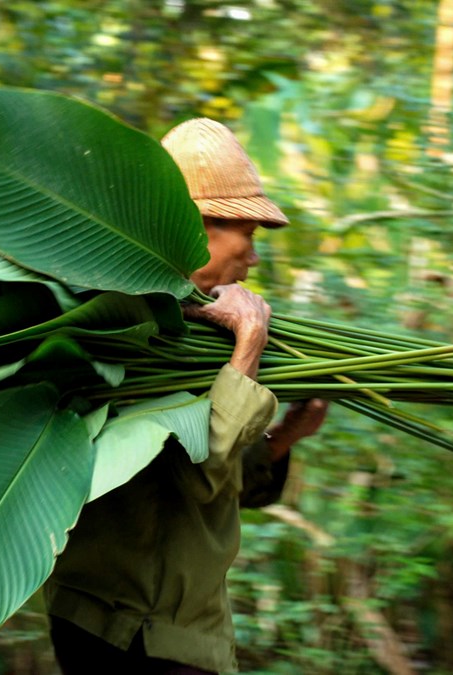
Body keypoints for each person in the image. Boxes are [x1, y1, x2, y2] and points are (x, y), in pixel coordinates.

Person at [44, 118, 329, 674]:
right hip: (143, 636)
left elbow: (212, 487)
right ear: (196, 230)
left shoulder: (193, 337)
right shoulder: (130, 332)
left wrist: (284, 437)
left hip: (135, 624)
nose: (253, 258)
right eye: (246, 237)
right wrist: (248, 348)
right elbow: (201, 474)